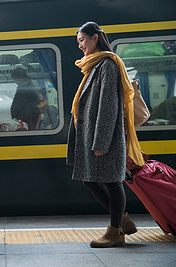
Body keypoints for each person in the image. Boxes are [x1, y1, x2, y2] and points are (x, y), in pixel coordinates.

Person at [67, 22, 145, 248]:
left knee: (112, 182)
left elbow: (109, 106)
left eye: (82, 40)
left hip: (104, 136)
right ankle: (121, 221)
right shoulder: (95, 65)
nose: (80, 45)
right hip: (93, 133)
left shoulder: (107, 65)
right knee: (88, 178)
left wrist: (101, 140)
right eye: (78, 42)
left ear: (95, 38)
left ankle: (115, 232)